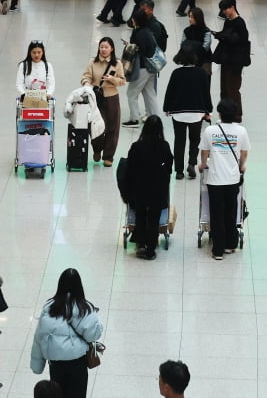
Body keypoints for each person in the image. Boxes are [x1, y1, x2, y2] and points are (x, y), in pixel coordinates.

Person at [29, 268, 103, 398]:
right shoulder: (85, 308)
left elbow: (39, 337)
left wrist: (37, 365)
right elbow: (93, 335)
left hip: (56, 364)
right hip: (78, 364)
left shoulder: (49, 307)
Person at [199, 98, 248, 259]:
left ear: (219, 113)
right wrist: (241, 167)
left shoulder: (210, 131)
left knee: (217, 214)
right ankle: (230, 244)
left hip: (214, 180)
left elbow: (204, 151)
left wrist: (203, 164)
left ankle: (218, 250)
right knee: (231, 212)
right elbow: (244, 153)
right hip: (232, 179)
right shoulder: (241, 131)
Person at [119, 117, 173, 259]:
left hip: (139, 190)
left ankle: (140, 244)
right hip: (157, 191)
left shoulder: (136, 147)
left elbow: (129, 169)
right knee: (154, 218)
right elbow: (169, 168)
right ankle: (151, 249)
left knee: (140, 215)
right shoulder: (164, 146)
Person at [164, 45, 212, 180]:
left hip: (179, 113)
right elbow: (205, 93)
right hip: (196, 113)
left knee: (179, 141)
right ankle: (192, 163)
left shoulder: (176, 73)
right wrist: (208, 110)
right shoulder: (201, 73)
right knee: (195, 139)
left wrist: (167, 108)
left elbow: (170, 92)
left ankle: (179, 171)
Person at [81, 37, 126, 166]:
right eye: (101, 47)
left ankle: (108, 156)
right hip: (96, 98)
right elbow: (85, 76)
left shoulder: (117, 64)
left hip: (112, 97)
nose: (104, 49)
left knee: (113, 127)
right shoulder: (92, 62)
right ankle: (97, 149)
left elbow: (122, 81)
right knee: (96, 126)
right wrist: (87, 84)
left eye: (106, 47)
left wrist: (113, 79)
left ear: (112, 49)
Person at [212, 0, 250, 119]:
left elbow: (242, 42)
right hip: (226, 59)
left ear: (232, 7)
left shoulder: (240, 23)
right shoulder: (228, 21)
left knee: (233, 89)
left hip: (235, 62)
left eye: (225, 9)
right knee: (224, 89)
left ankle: (236, 115)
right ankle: (225, 114)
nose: (224, 12)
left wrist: (224, 36)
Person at [124, 10, 161, 125]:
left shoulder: (139, 34)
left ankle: (134, 119)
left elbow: (140, 51)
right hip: (151, 68)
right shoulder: (147, 31)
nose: (132, 20)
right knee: (149, 93)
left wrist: (130, 47)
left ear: (137, 20)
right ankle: (154, 118)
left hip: (142, 68)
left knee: (131, 93)